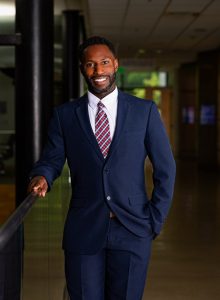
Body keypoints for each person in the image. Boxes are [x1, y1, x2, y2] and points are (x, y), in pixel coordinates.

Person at [28, 36, 176, 300]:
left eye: (104, 62)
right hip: (84, 228)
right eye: (90, 65)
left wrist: (155, 220)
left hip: (133, 228)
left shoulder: (144, 111)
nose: (98, 71)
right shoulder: (65, 115)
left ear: (115, 64)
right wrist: (43, 176)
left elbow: (165, 168)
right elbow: (51, 159)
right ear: (83, 69)